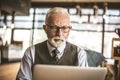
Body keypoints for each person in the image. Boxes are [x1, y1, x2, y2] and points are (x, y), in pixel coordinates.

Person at [16, 7, 105, 80]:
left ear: (69, 29)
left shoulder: (79, 54)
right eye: (54, 27)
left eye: (64, 28)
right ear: (45, 28)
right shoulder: (31, 52)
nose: (59, 34)